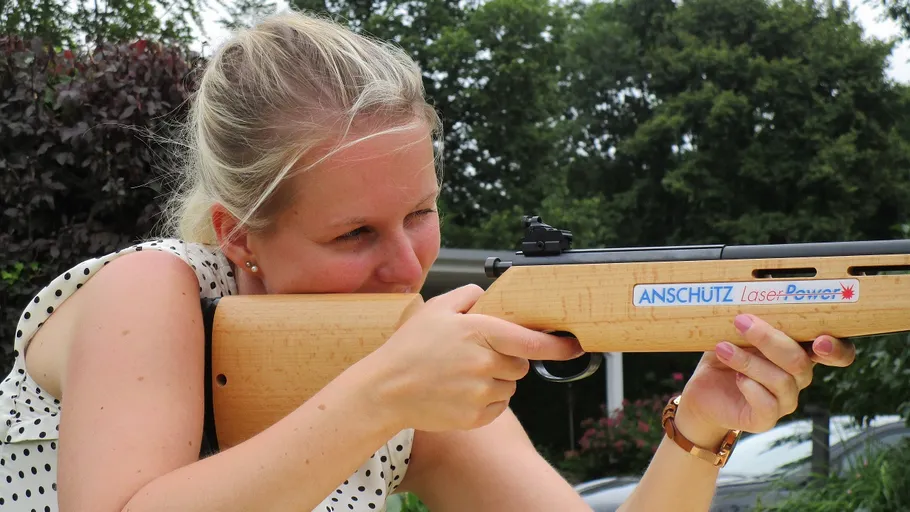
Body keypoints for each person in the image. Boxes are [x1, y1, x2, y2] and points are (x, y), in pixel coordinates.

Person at [0, 9, 856, 512]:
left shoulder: (400, 359)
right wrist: (377, 396)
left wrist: (701, 424)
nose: (407, 264)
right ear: (237, 235)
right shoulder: (156, 288)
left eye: (420, 212)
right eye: (354, 235)